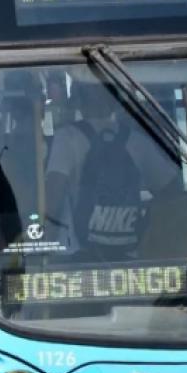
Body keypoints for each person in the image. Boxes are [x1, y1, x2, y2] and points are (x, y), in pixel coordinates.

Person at [43, 80, 142, 259]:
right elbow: (172, 192)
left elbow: (53, 198)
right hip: (128, 256)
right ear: (114, 101)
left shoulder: (67, 137)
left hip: (78, 255)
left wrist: (44, 250)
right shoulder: (135, 141)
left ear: (79, 100)